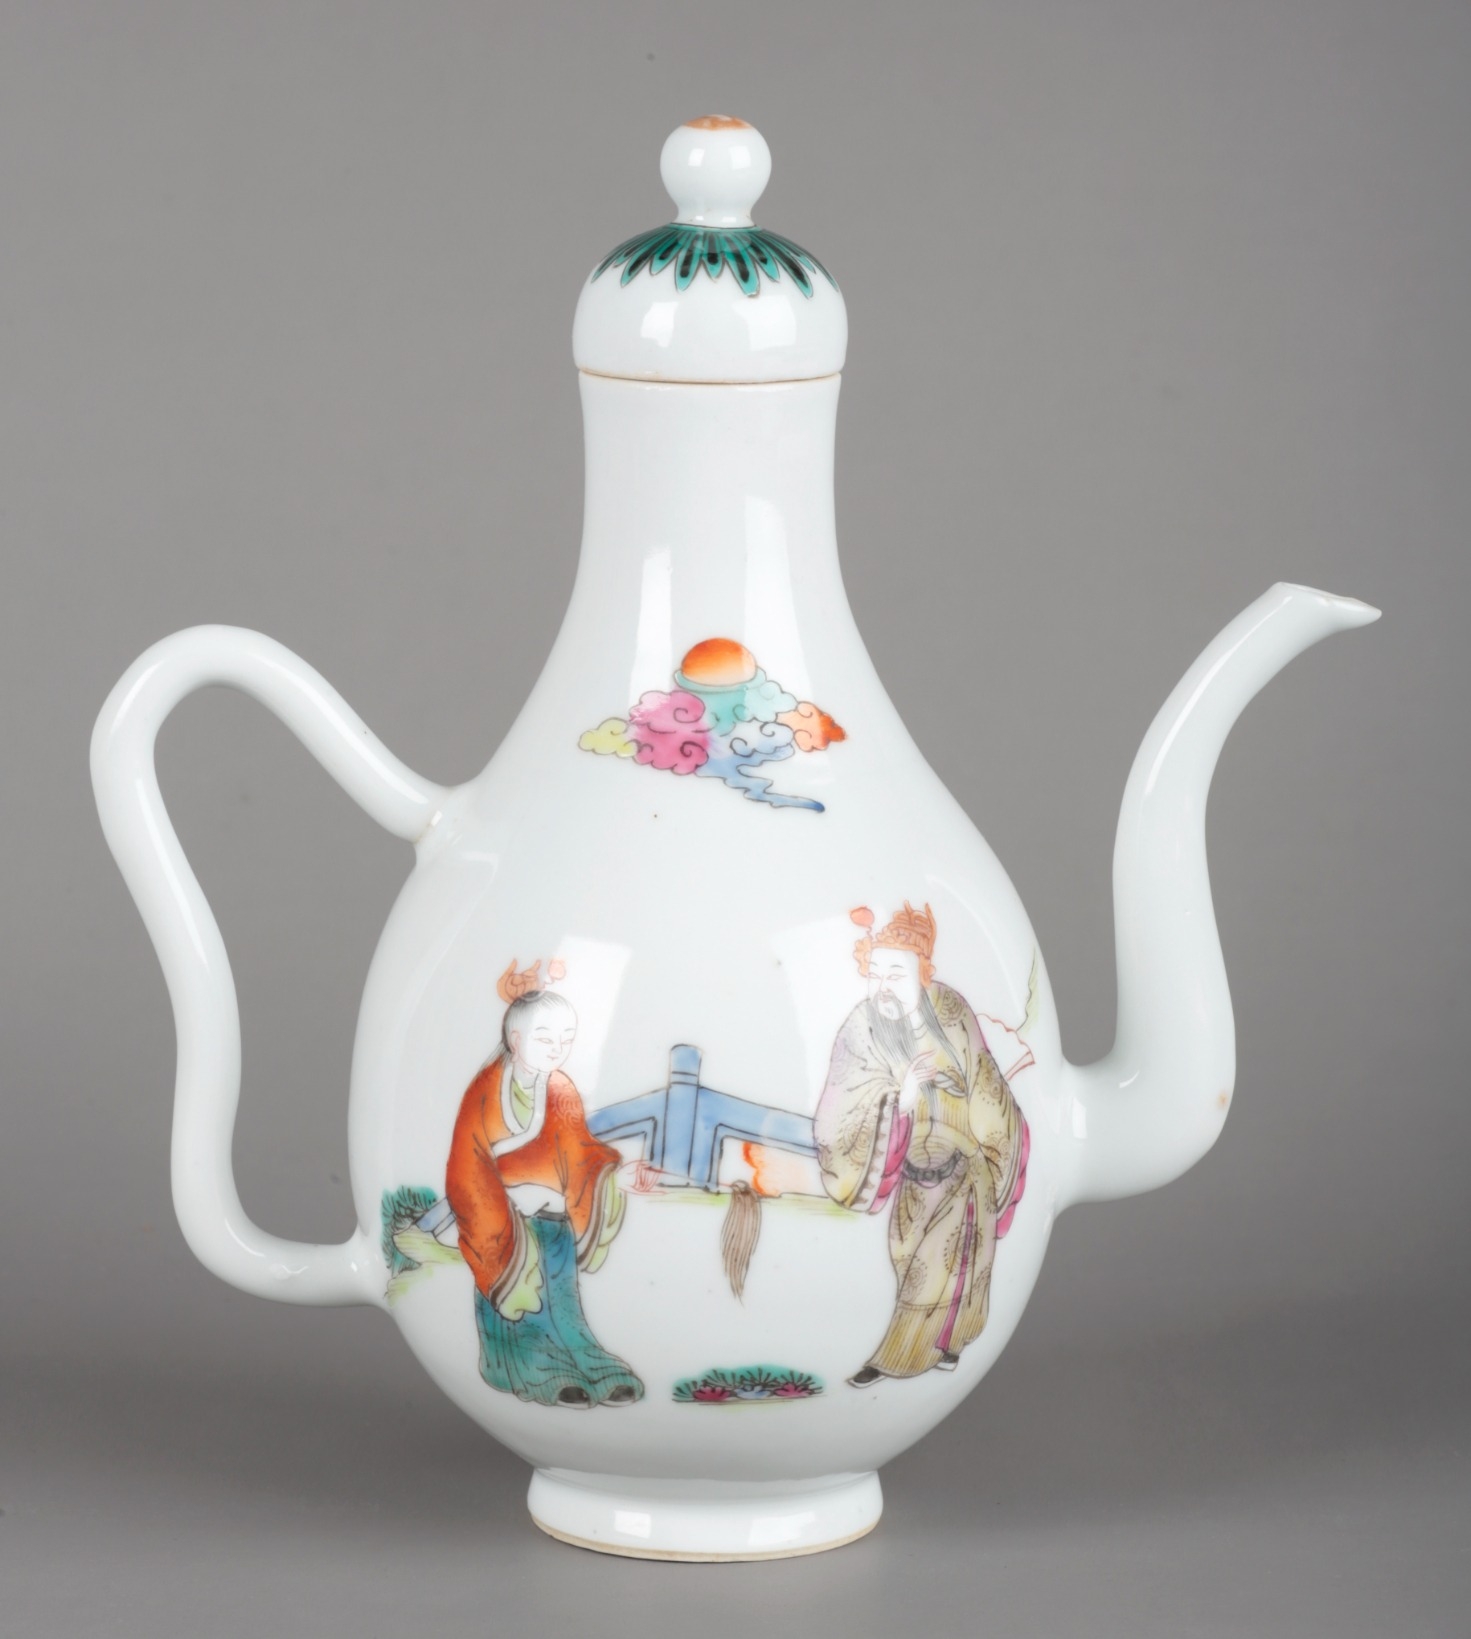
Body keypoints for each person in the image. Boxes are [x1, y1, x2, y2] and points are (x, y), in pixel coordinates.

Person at [814, 904, 1030, 1386]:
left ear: (922, 971)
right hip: (911, 1176)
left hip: (964, 1173)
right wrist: (903, 1096)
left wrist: (997, 1153)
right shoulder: (862, 1028)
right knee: (908, 1261)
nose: (884, 986)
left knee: (936, 1271)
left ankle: (893, 1360)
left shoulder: (951, 1013)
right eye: (876, 974)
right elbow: (842, 1108)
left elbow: (986, 1083)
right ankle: (948, 1343)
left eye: (896, 974)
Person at [445, 959, 650, 1409]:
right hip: (504, 1215)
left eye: (566, 1039)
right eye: (544, 1038)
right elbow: (468, 1160)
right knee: (525, 1295)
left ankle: (589, 1363)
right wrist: (505, 1200)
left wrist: (612, 1175)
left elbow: (579, 1150)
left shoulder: (561, 1089)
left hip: (553, 1215)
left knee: (563, 1300)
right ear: (516, 1040)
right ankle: (535, 1369)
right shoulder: (486, 1090)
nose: (557, 1049)